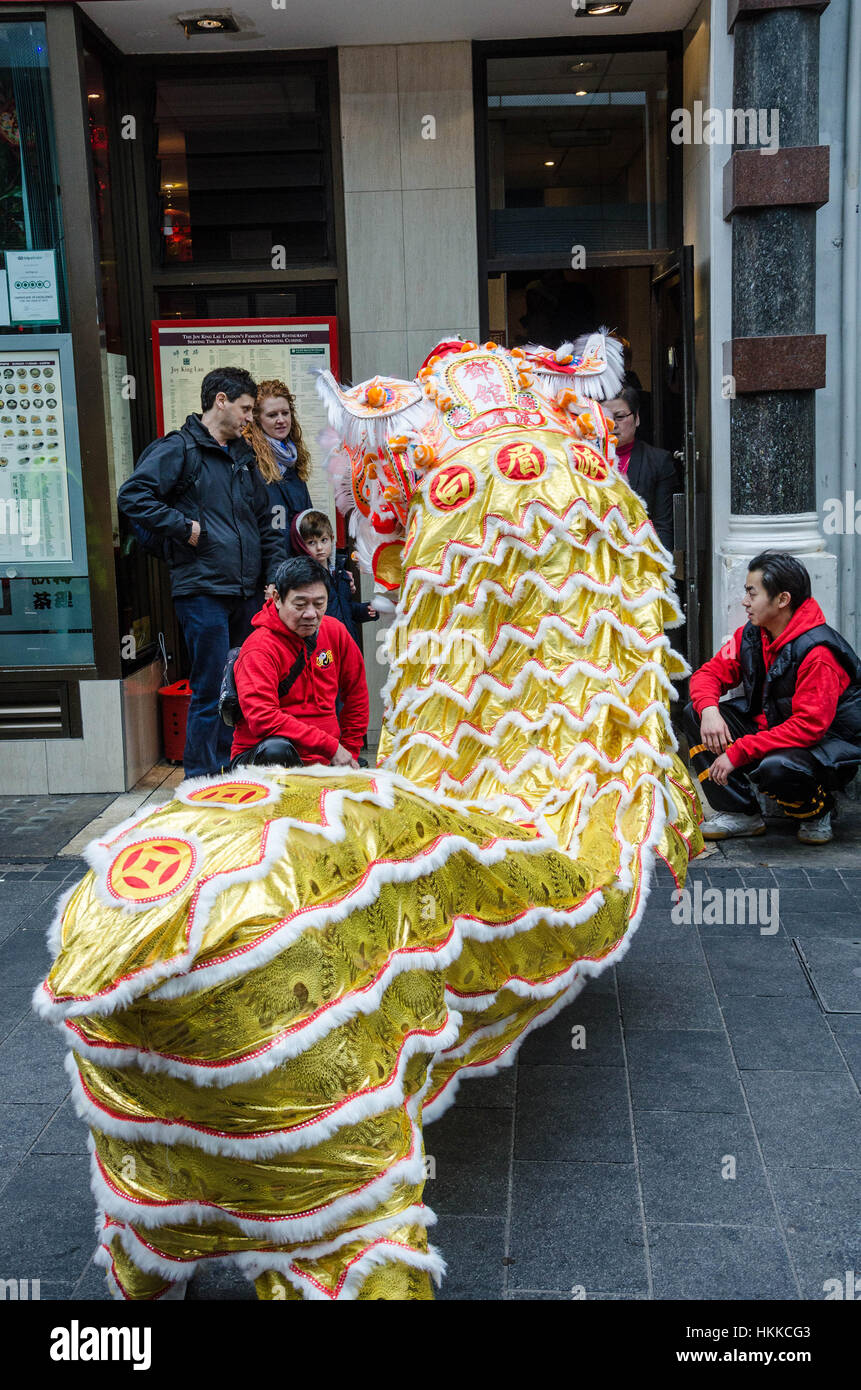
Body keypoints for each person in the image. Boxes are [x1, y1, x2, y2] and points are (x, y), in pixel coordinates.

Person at [118, 365, 282, 780]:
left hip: (247, 592)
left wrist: (273, 578)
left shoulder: (243, 459)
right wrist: (182, 527)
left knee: (243, 687)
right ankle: (200, 781)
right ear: (220, 401)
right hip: (202, 590)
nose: (250, 418)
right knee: (209, 689)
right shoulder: (180, 448)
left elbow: (266, 526)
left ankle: (235, 773)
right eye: (245, 408)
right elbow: (132, 496)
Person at [682, 551, 861, 845]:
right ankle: (740, 812)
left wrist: (739, 752)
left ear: (782, 600)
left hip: (821, 750)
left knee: (778, 769)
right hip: (770, 730)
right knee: (696, 712)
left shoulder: (818, 653)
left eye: (752, 593)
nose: (745, 602)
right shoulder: (752, 635)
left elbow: (809, 727)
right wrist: (710, 710)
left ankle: (816, 811)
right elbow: (708, 674)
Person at [230, 555, 369, 769]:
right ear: (277, 598)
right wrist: (331, 747)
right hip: (265, 759)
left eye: (319, 604)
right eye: (300, 604)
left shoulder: (335, 631)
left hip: (327, 760)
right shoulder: (259, 648)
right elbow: (262, 718)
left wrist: (349, 752)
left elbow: (356, 694)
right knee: (277, 749)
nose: (311, 614)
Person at [244, 378, 313, 561]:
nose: (281, 420)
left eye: (285, 413)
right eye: (272, 415)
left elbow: (308, 523)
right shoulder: (248, 462)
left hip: (296, 568)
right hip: (265, 571)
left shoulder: (294, 460)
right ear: (257, 420)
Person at [602, 385, 676, 552]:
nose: (612, 424)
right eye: (606, 417)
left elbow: (662, 525)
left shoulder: (658, 461)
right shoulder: (586, 458)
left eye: (619, 417)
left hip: (640, 555)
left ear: (636, 418)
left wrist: (659, 568)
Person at [290, 508, 378, 644]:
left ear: (332, 539)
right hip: (324, 645)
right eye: (311, 543)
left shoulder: (340, 574)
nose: (319, 547)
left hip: (347, 642)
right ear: (302, 545)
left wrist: (366, 610)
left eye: (323, 540)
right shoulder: (307, 580)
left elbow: (346, 609)